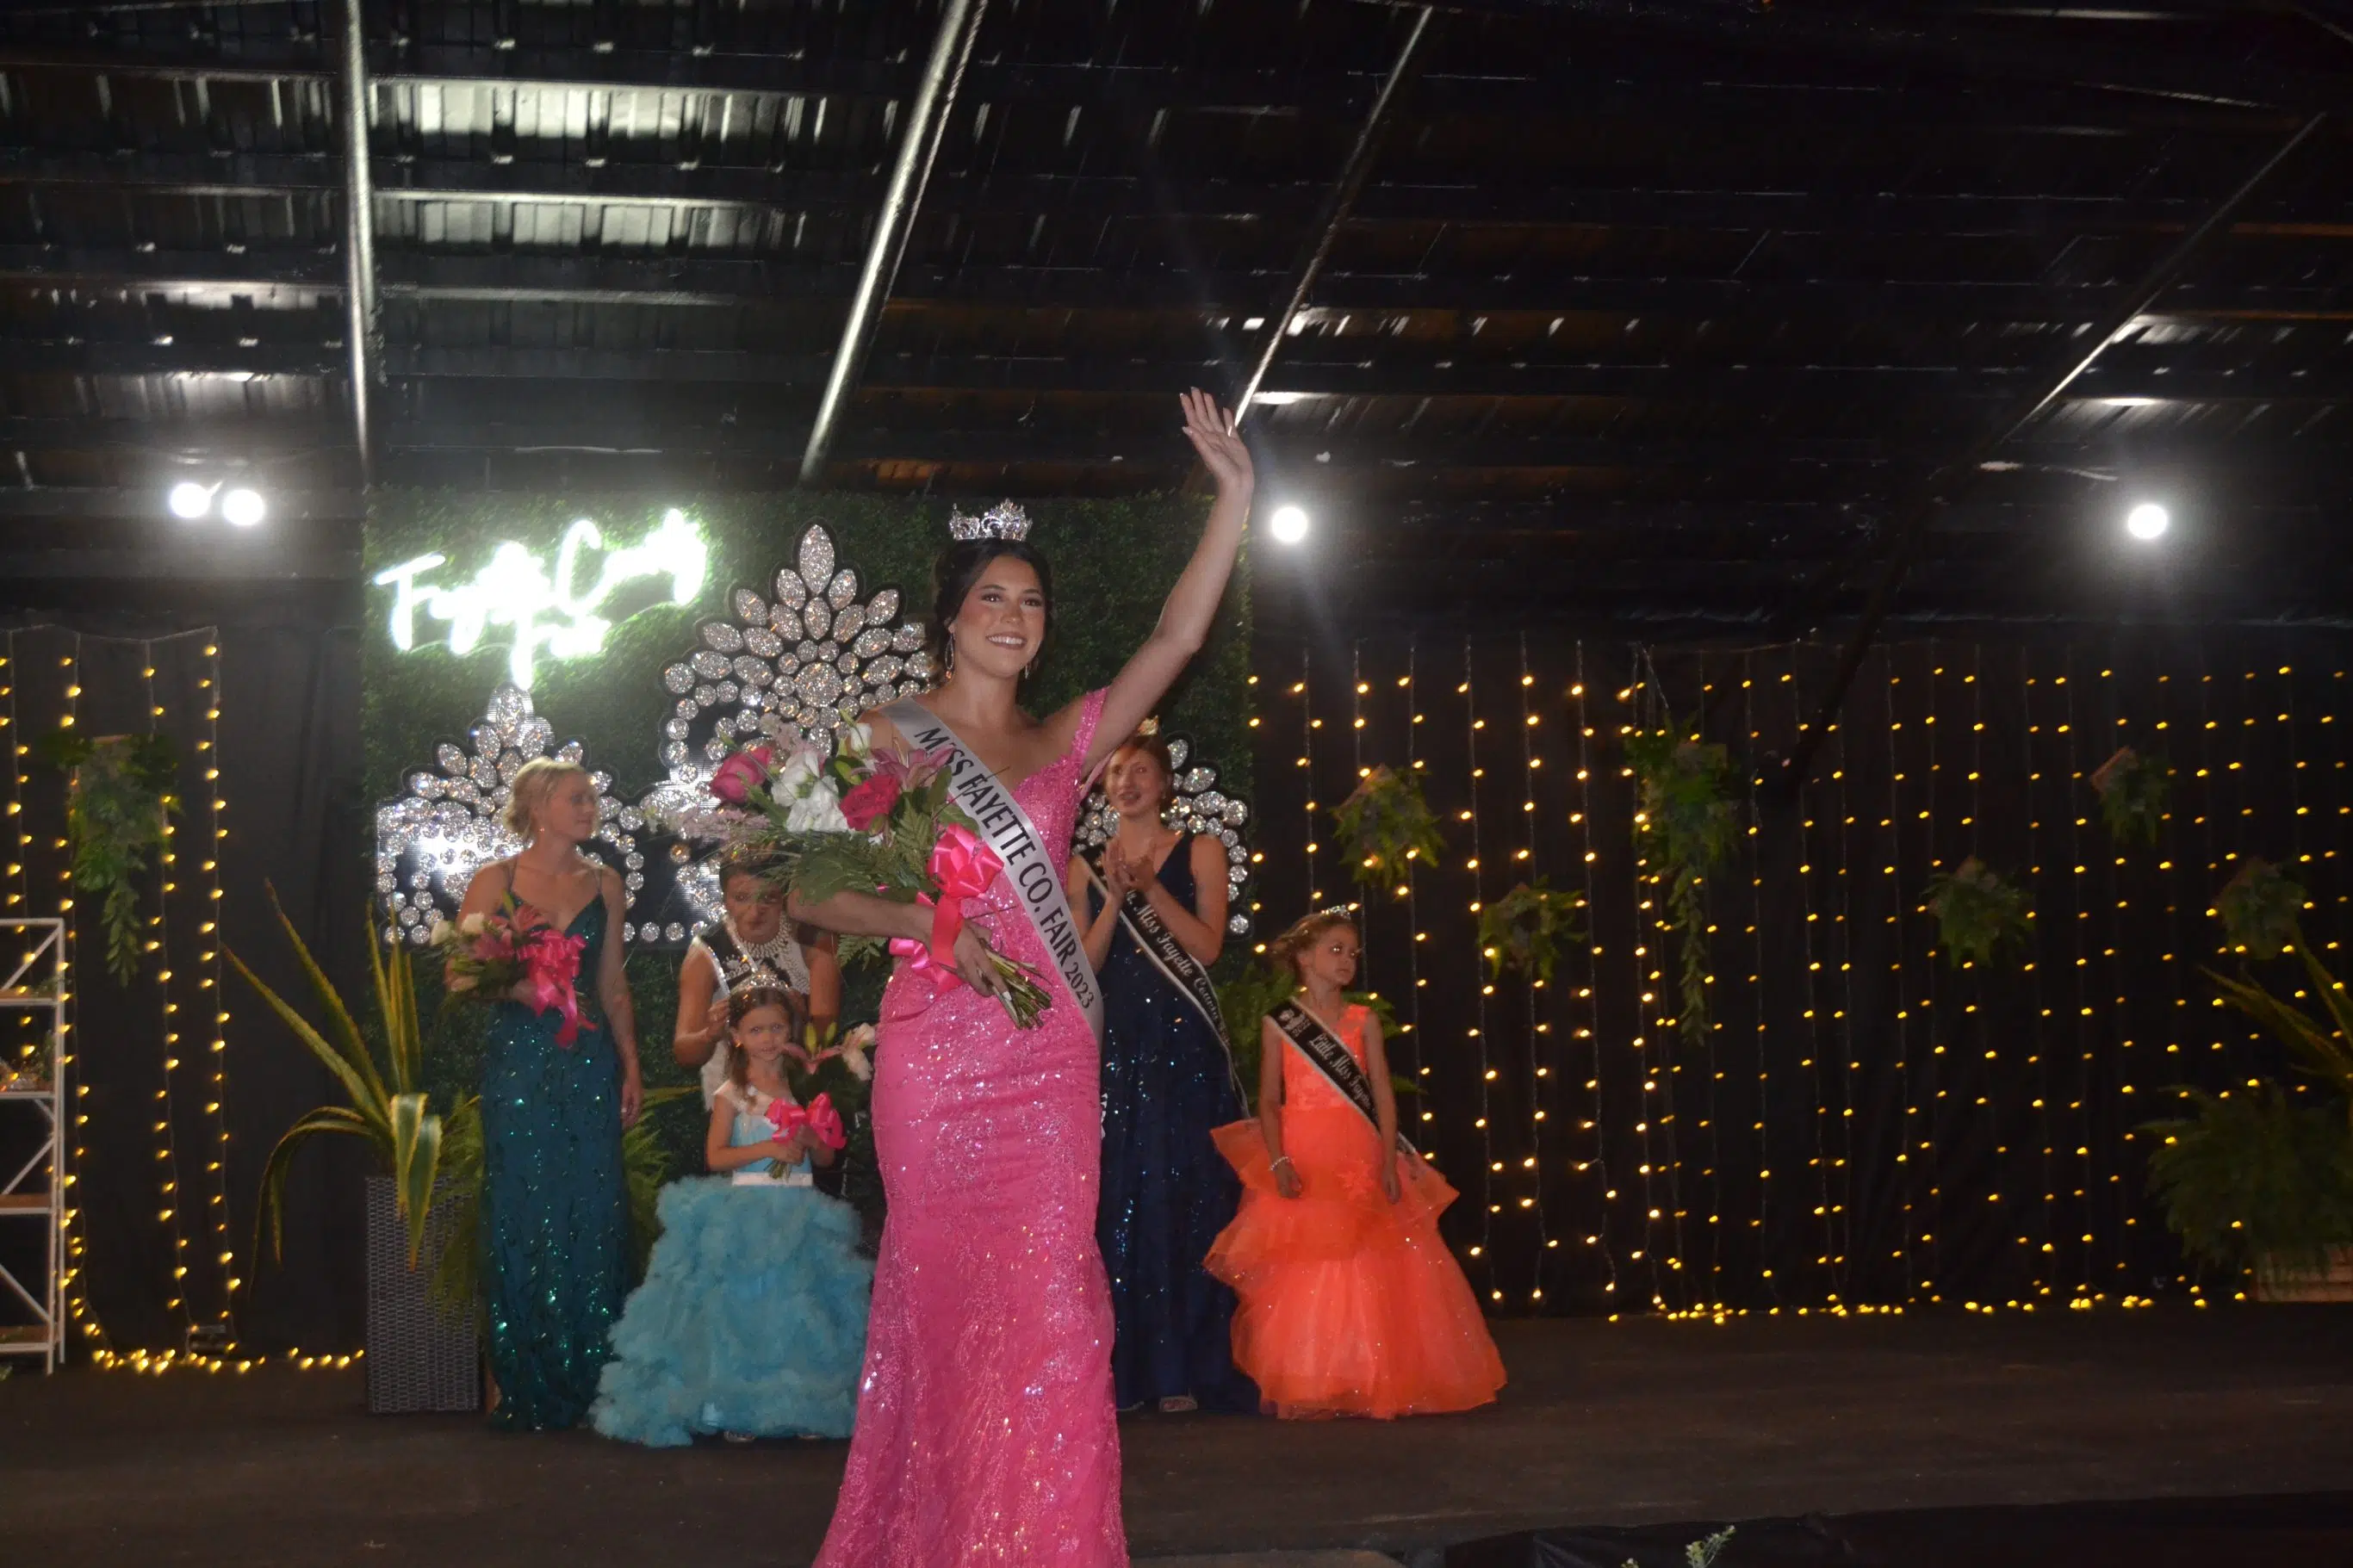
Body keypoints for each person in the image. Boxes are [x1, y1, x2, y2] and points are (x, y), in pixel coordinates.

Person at [790, 388, 1253, 1566]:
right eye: (992, 596)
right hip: (938, 1065)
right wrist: (932, 925)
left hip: (1046, 1067)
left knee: (1053, 1315)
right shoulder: (887, 735)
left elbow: (1174, 642)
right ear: (951, 618)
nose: (1014, 614)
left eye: (1031, 600)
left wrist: (1236, 500)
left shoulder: (1062, 743)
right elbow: (807, 892)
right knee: (950, 1321)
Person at [1207, 910, 1506, 1420]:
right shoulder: (1280, 1022)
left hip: (1359, 1149)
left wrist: (1389, 1158)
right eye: (1335, 950)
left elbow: (1383, 1091)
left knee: (1373, 1252)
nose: (1347, 961)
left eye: (1352, 953)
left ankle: (1375, 1371)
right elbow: (1271, 1100)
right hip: (1304, 1150)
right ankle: (1318, 1372)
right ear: (1304, 958)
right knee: (1312, 1257)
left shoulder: (1363, 1021)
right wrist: (1277, 1157)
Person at [592, 983, 873, 1447]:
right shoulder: (731, 1093)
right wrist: (767, 1146)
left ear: (791, 1030)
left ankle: (805, 1404)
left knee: (801, 1313)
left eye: (777, 1028)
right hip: (749, 1212)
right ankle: (739, 1405)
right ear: (738, 1036)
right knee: (746, 1312)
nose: (768, 1038)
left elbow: (824, 1160)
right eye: (757, 1030)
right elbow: (716, 1157)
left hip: (800, 1209)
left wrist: (810, 1140)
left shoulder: (807, 1087)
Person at [1068, 729, 1257, 1415]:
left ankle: (1188, 1363)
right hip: (1118, 1049)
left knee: (1188, 1192)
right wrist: (1118, 896)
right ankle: (1125, 1369)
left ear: (1166, 784)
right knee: (1120, 1199)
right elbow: (1083, 966)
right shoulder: (1083, 866)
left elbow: (1206, 946)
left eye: (1142, 769)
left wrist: (1151, 886)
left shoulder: (1199, 849)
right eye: (1117, 770)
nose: (1128, 780)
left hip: (1184, 1049)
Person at [455, 757, 644, 1431]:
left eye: (593, 795)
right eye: (576, 797)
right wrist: (525, 987)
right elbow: (457, 974)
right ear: (539, 806)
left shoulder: (607, 883)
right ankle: (520, 1373)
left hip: (588, 1062)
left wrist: (630, 1065)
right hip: (522, 1064)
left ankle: (593, 1373)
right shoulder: (496, 880)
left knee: (593, 1207)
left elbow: (613, 983)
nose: (590, 806)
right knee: (525, 1205)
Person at [672, 849, 842, 1106]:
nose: (755, 911)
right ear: (725, 900)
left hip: (801, 1089)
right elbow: (684, 1052)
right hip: (735, 1097)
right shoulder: (705, 954)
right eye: (741, 898)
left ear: (784, 897)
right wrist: (710, 1034)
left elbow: (824, 1035)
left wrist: (801, 1018)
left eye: (768, 899)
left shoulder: (814, 940)